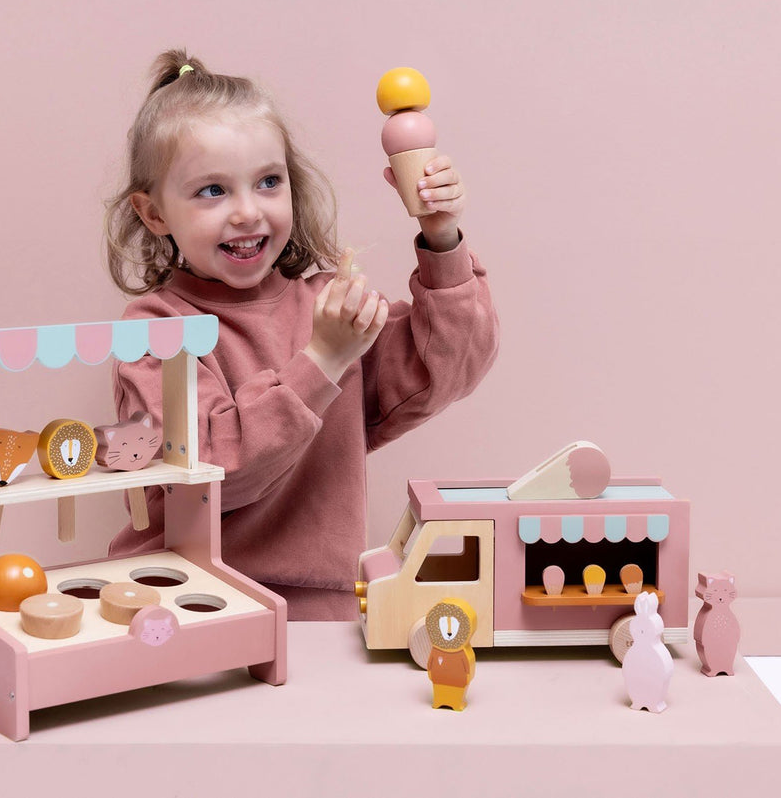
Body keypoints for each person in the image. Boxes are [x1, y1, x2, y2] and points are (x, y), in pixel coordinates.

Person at [104, 50, 499, 620]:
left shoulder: (325, 305)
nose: (247, 212)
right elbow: (209, 477)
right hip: (184, 606)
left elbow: (449, 368)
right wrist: (323, 359)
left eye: (268, 181)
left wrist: (442, 236)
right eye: (212, 191)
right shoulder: (154, 332)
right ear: (154, 213)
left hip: (319, 615)